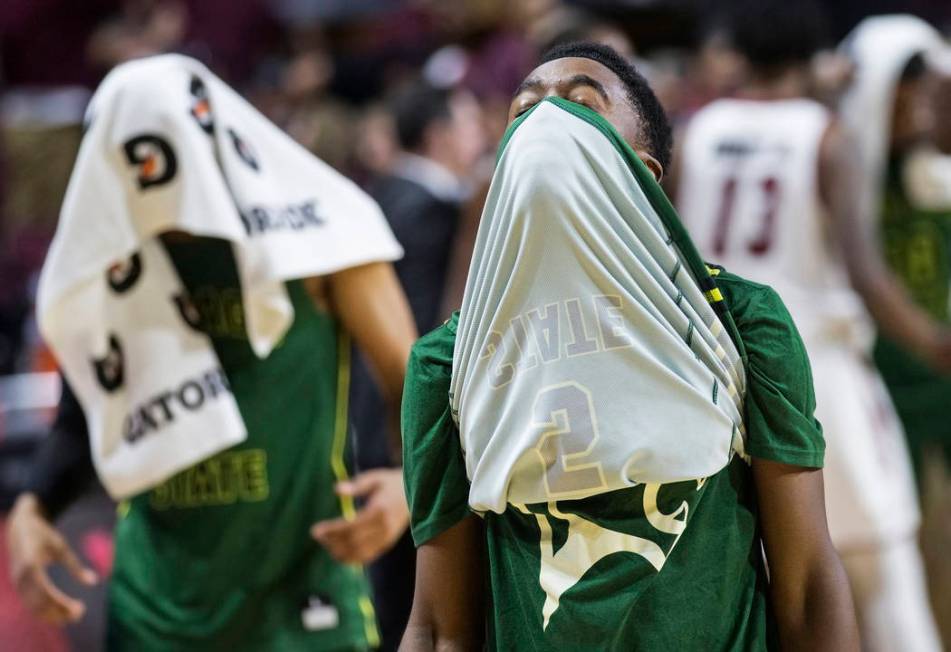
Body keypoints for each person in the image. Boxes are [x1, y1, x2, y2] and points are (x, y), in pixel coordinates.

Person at [401, 41, 858, 651]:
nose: (547, 120)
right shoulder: (445, 364)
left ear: (644, 174)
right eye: (522, 110)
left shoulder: (743, 322)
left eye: (583, 105)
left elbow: (805, 582)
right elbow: (437, 627)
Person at [6, 55, 416, 651]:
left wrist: (410, 485)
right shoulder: (107, 263)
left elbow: (413, 384)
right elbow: (83, 414)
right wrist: (33, 506)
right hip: (155, 610)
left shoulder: (325, 245)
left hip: (302, 596)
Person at [674, 4, 946, 650]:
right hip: (819, 377)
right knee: (884, 580)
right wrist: (936, 343)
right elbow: (868, 278)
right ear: (812, 48)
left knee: (771, 586)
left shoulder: (694, 133)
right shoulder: (827, 137)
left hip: (717, 381)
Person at [346, 78, 485, 652]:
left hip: (362, 413)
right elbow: (429, 336)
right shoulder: (433, 209)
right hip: (405, 423)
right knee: (420, 598)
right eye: (470, 124)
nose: (479, 137)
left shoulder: (376, 195)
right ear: (438, 135)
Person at [840, 15, 951, 645]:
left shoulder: (939, 158)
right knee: (898, 541)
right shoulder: (850, 164)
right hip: (886, 375)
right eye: (905, 95)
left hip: (940, 372)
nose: (919, 109)